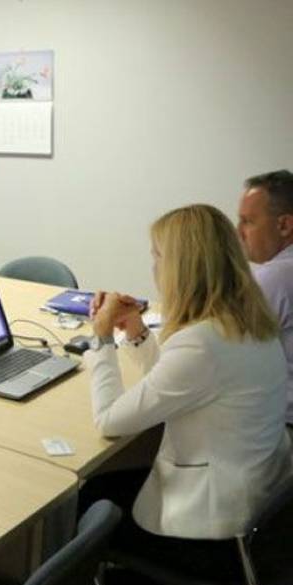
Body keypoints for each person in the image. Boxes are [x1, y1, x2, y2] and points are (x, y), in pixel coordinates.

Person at [79, 204, 291, 580]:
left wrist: (101, 338)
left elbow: (109, 420)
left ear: (183, 266)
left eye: (157, 256)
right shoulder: (246, 321)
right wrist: (136, 331)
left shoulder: (202, 343)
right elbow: (179, 384)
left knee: (91, 494)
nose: (153, 267)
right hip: (255, 506)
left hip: (211, 529)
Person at [237, 170, 293, 430]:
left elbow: (222, 346)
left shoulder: (275, 277)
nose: (239, 232)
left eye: (247, 222)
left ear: (284, 225)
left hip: (283, 428)